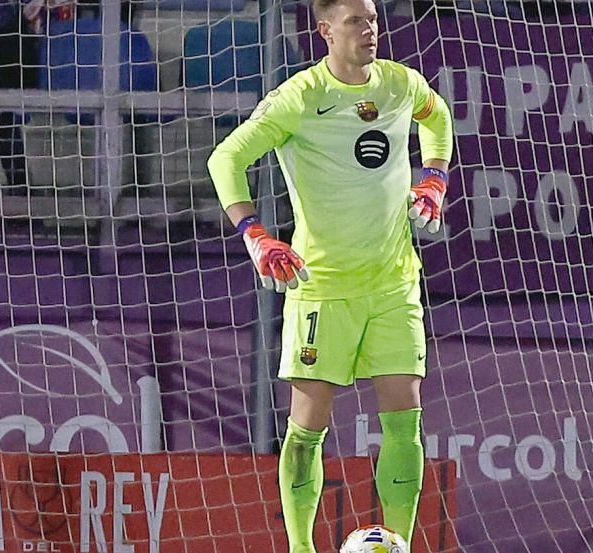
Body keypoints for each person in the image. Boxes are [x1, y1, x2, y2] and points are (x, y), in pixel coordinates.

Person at [206, 0, 454, 549]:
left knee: (404, 420)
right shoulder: (299, 97)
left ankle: (401, 544)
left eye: (372, 18)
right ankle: (300, 547)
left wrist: (433, 177)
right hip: (322, 289)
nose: (370, 30)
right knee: (306, 431)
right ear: (324, 31)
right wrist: (255, 234)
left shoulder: (398, 84)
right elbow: (225, 159)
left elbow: (437, 116)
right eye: (355, 22)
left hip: (393, 284)